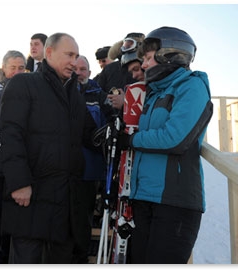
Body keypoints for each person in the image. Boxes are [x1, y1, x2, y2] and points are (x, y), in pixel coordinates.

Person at [0, 33, 97, 264]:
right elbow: (11, 134)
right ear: (49, 53)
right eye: (69, 55)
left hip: (65, 203)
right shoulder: (24, 83)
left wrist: (119, 135)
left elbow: (90, 134)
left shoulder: (75, 94)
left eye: (76, 56)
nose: (74, 61)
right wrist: (19, 183)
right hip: (31, 199)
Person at [118, 26, 214, 263]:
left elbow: (175, 138)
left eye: (149, 58)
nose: (144, 65)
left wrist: (132, 140)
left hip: (175, 203)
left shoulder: (192, 87)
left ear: (170, 54)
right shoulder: (153, 94)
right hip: (145, 200)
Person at [0, 50, 26, 263]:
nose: (17, 72)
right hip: (0, 166)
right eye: (13, 68)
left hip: (22, 167)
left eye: (21, 68)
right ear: (5, 69)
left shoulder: (30, 91)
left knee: (16, 216)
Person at [72, 55, 114, 263]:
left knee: (81, 222)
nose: (79, 73)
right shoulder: (62, 91)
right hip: (63, 168)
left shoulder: (99, 95)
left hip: (90, 170)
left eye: (83, 69)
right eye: (76, 69)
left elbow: (111, 123)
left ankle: (79, 260)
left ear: (89, 72)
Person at [105, 33, 145, 111]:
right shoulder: (110, 69)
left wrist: (126, 104)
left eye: (136, 69)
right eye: (131, 72)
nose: (134, 76)